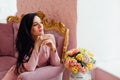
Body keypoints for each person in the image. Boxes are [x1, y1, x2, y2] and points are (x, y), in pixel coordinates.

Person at [2, 13, 61, 80]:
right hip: (17, 74)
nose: (40, 26)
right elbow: (30, 68)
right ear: (28, 28)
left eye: (41, 23)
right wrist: (37, 46)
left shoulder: (50, 38)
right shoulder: (25, 43)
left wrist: (53, 48)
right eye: (35, 24)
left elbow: (56, 63)